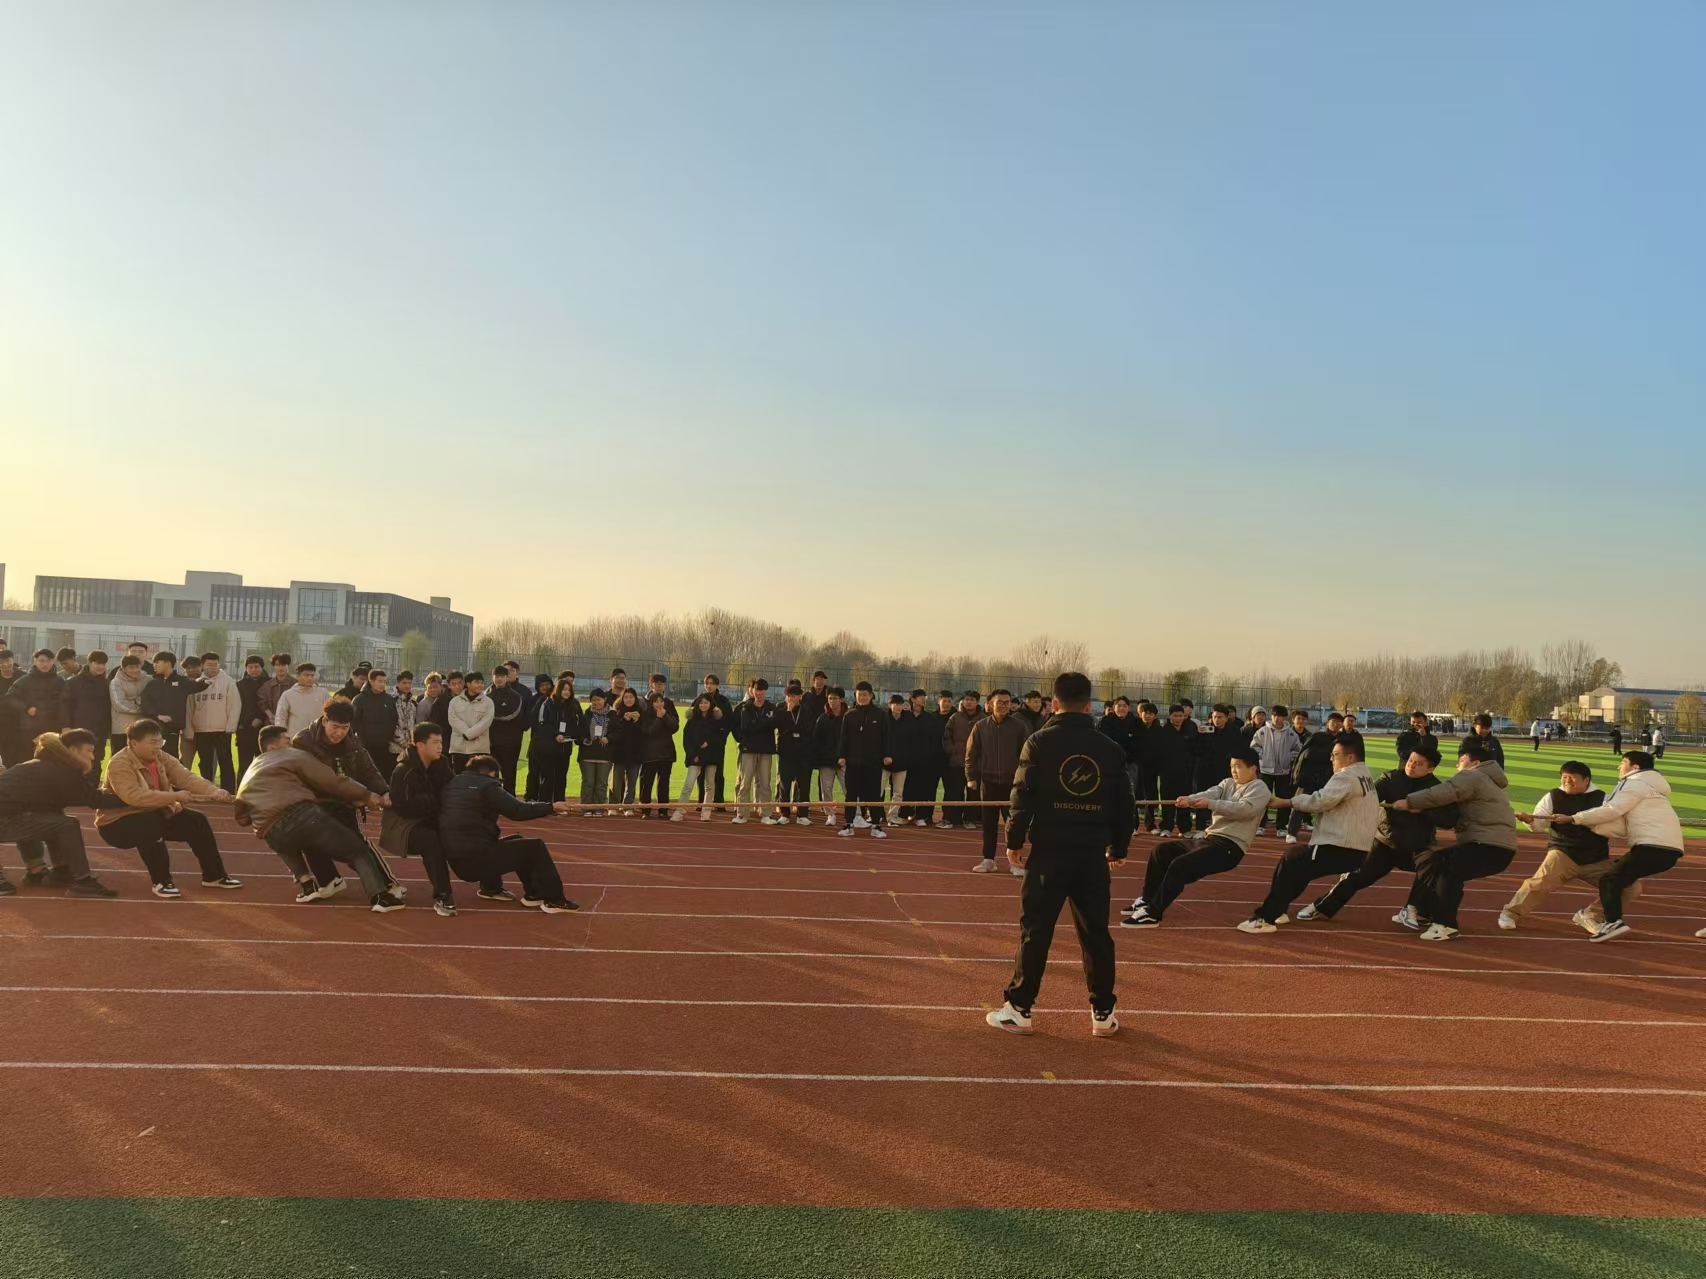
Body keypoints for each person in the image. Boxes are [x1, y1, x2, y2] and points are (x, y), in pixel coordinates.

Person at [985, 672, 1132, 1038]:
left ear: (1053, 704)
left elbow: (1022, 797)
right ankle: (1103, 1012)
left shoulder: (1038, 742)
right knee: (1096, 933)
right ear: (1089, 705)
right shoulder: (1110, 748)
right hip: (1091, 856)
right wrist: (1118, 847)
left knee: (1035, 931)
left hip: (1049, 853)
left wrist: (1013, 841)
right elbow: (1124, 806)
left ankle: (1020, 1009)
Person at [235, 725, 402, 911]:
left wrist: (258, 819)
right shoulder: (293, 755)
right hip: (301, 816)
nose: (291, 744)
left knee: (280, 839)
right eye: (287, 741)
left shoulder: (250, 770)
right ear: (273, 747)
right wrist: (366, 795)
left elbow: (241, 814)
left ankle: (308, 885)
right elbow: (330, 780)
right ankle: (380, 897)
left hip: (268, 829)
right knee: (358, 851)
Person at [1239, 733, 1380, 934]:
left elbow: (1321, 800)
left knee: (1293, 859)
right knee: (1298, 865)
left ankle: (1265, 918)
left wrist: (1287, 802)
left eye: (1335, 755)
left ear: (1350, 758)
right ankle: (1278, 910)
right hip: (1356, 849)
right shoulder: (1365, 775)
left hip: (1341, 846)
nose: (1331, 759)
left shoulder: (1346, 776)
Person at [1300, 742, 1456, 922]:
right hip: (1385, 841)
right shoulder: (1391, 778)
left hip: (1416, 846)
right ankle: (1321, 907)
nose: (1411, 765)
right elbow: (1368, 797)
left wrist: (1422, 811)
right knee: (1358, 876)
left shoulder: (1437, 790)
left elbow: (1448, 820)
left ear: (1431, 769)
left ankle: (1416, 911)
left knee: (1434, 868)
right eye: (1410, 761)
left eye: (1418, 764)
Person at [1548, 751, 1686, 943]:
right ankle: (1597, 917)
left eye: (1623, 762)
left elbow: (1611, 810)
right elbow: (1621, 827)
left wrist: (1574, 818)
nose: (1619, 767)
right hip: (1671, 851)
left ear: (1635, 767)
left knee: (1609, 879)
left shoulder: (1633, 783)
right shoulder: (1654, 790)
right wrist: (1589, 824)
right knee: (1617, 880)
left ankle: (1613, 922)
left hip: (1651, 846)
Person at [1124, 746, 1269, 928]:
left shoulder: (1259, 788)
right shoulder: (1228, 783)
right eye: (1232, 766)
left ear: (1253, 768)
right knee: (1160, 851)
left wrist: (1211, 804)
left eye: (1238, 766)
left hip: (1230, 847)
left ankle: (1153, 913)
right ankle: (1148, 899)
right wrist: (1190, 799)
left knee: (1180, 866)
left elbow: (1244, 810)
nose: (1233, 770)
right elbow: (1209, 793)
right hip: (1210, 840)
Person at [1390, 738, 1519, 941]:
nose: (1457, 764)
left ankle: (1444, 924)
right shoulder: (1489, 782)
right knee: (1435, 862)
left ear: (1475, 763)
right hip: (1496, 847)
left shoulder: (1473, 776)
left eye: (1461, 760)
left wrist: (1409, 802)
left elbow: (1444, 792)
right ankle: (1421, 911)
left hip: (1488, 845)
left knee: (1446, 869)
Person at [97, 718, 241, 897]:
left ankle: (214, 876)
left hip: (154, 813)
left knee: (197, 821)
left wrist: (214, 790)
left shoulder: (161, 757)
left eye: (160, 742)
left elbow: (186, 777)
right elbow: (134, 797)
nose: (157, 747)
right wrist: (175, 797)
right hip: (117, 824)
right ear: (133, 743)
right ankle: (162, 882)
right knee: (148, 824)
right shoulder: (119, 764)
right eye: (152, 742)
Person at [1501, 760, 1633, 932]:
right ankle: (1510, 913)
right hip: (1563, 853)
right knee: (1538, 883)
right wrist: (1529, 820)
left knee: (1630, 887)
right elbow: (1539, 826)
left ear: (1586, 780)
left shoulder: (1603, 799)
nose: (1567, 781)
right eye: (1564, 777)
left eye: (1572, 778)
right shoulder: (1553, 796)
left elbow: (1616, 826)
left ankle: (1591, 915)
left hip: (1596, 859)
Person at [438, 755, 577, 911]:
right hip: (473, 861)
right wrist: (551, 807)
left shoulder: (454, 783)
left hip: (457, 859)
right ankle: (556, 900)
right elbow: (517, 810)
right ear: (491, 772)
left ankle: (497, 889)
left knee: (514, 840)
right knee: (535, 847)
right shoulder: (488, 786)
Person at [0, 729, 122, 898]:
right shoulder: (62, 770)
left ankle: (57, 871)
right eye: (89, 751)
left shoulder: (45, 764)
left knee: (53, 817)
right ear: (72, 750)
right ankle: (83, 881)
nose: (93, 757)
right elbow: (94, 799)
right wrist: (133, 798)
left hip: (9, 814)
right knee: (67, 825)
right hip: (5, 819)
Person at [382, 721, 464, 915]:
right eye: (435, 743)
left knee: (462, 827)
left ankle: (490, 883)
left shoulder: (441, 764)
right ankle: (444, 896)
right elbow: (404, 808)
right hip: (402, 826)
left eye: (441, 742)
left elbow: (452, 790)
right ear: (420, 745)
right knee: (431, 839)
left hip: (428, 818)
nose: (440, 747)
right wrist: (438, 806)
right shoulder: (403, 770)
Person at [967, 690, 1029, 875]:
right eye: (1000, 702)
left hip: (1013, 783)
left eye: (1007, 702)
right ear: (990, 704)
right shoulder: (980, 726)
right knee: (989, 823)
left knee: (1014, 825)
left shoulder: (1019, 726)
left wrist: (1024, 778)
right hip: (989, 782)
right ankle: (988, 860)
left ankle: (1015, 863)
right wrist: (971, 777)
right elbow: (971, 753)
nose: (1004, 706)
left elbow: (1027, 756)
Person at [837, 681, 888, 837]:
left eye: (865, 695)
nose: (862, 697)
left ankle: (876, 826)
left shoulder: (880, 714)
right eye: (859, 695)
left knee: (874, 795)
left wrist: (887, 755)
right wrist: (842, 756)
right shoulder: (849, 715)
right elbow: (843, 738)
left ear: (871, 695)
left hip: (873, 763)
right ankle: (848, 824)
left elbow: (886, 737)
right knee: (851, 794)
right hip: (853, 763)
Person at [1287, 711, 1343, 843]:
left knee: (1329, 805)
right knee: (1300, 803)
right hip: (1309, 776)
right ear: (1327, 723)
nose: (1336, 724)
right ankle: (1291, 832)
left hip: (1329, 777)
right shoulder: (1317, 736)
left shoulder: (1342, 740)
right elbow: (1302, 755)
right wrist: (1297, 773)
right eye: (1333, 721)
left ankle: (1326, 832)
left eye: (1338, 722)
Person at [138, 651, 205, 762]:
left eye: (157, 662)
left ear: (168, 663)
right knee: (154, 759)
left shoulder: (181, 681)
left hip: (174, 729)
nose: (154, 665)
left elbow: (197, 685)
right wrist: (158, 715)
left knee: (172, 760)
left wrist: (205, 681)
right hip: (156, 729)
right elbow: (145, 704)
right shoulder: (153, 683)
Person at [188, 652, 241, 791]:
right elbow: (190, 707)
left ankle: (229, 791)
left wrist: (230, 727)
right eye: (209, 665)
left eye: (215, 664)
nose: (212, 667)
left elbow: (234, 705)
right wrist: (190, 729)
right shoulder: (196, 683)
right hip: (201, 730)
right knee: (205, 763)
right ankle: (207, 790)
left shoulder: (228, 681)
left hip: (222, 729)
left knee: (225, 761)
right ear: (202, 665)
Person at [1188, 706, 1240, 835]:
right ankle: (1200, 828)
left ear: (1226, 718)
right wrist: (1200, 735)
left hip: (1224, 771)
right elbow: (1195, 749)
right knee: (1202, 796)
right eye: (1215, 717)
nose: (1217, 720)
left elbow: (1237, 749)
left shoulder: (1234, 731)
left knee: (1223, 800)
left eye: (1220, 717)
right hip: (1204, 771)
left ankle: (1220, 829)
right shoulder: (1204, 730)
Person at [526, 675, 577, 803]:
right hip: (547, 747)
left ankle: (560, 802)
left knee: (561, 776)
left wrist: (572, 736)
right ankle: (545, 803)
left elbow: (575, 724)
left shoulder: (572, 705)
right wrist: (556, 734)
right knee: (547, 776)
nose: (566, 692)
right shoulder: (547, 703)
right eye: (564, 689)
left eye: (568, 690)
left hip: (564, 747)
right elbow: (543, 723)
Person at [732, 679, 777, 824]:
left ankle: (766, 814)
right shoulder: (746, 707)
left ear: (766, 691)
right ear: (753, 690)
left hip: (765, 750)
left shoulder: (771, 707)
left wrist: (757, 723)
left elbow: (773, 724)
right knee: (745, 783)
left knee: (765, 783)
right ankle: (741, 814)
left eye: (762, 690)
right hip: (748, 749)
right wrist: (764, 723)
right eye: (757, 690)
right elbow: (745, 727)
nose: (759, 693)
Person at [1251, 704, 1300, 835]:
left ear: (1284, 718)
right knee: (1262, 797)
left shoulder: (1291, 734)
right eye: (1275, 716)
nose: (1277, 719)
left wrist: (1288, 757)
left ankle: (1281, 827)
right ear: (1271, 716)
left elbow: (1297, 750)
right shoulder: (1262, 732)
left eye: (1281, 716)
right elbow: (1254, 747)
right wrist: (1263, 756)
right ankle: (1260, 825)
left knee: (1283, 799)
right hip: (1265, 770)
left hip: (1284, 771)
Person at [63, 651, 114, 778]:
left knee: (96, 762)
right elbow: (65, 705)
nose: (101, 667)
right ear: (89, 663)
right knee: (76, 761)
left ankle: (92, 788)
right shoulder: (73, 682)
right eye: (97, 663)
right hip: (78, 730)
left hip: (99, 732)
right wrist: (65, 726)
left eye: (103, 664)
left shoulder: (107, 684)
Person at [675, 694, 722, 822]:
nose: (703, 705)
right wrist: (694, 754)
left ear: (711, 704)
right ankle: (679, 811)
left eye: (706, 703)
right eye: (701, 703)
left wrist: (708, 743)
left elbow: (719, 738)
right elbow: (687, 739)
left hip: (711, 756)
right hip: (695, 757)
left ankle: (706, 813)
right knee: (688, 784)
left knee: (710, 785)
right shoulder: (692, 720)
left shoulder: (716, 720)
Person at [8, 648, 68, 750]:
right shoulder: (25, 681)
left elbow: (66, 703)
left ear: (53, 662)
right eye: (41, 661)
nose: (45, 664)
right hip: (31, 728)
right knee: (30, 755)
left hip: (53, 727)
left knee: (52, 756)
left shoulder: (60, 681)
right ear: (35, 662)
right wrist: (26, 707)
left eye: (48, 661)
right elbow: (10, 698)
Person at [942, 691, 985, 829]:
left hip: (975, 764)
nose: (969, 702)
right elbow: (946, 737)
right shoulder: (955, 717)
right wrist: (952, 751)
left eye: (972, 700)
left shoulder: (983, 719)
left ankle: (970, 818)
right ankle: (952, 818)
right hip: (957, 762)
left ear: (977, 702)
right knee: (955, 791)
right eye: (966, 699)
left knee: (973, 793)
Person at [772, 684, 813, 824]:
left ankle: (802, 815)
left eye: (793, 696)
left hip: (803, 752)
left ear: (800, 697)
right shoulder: (781, 711)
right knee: (784, 783)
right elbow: (780, 728)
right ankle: (784, 814)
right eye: (788, 696)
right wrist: (789, 713)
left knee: (803, 784)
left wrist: (793, 729)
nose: (790, 699)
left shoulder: (807, 711)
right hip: (786, 752)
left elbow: (807, 729)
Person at [1154, 704, 1196, 836]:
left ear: (1184, 716)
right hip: (1167, 773)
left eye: (1180, 716)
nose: (1178, 718)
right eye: (1175, 716)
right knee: (1167, 800)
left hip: (1185, 772)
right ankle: (1166, 827)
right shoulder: (1163, 732)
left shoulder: (1189, 730)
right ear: (1169, 716)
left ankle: (1185, 829)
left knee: (1185, 800)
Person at [351, 669, 401, 779]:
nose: (382, 684)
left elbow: (394, 720)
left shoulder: (389, 700)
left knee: (385, 777)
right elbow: (352, 723)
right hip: (365, 748)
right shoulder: (359, 700)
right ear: (371, 681)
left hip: (385, 748)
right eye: (380, 681)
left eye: (384, 681)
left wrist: (389, 736)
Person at [637, 691, 680, 818]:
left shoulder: (668, 713)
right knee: (647, 784)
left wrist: (665, 716)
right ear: (651, 703)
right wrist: (658, 718)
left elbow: (674, 728)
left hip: (666, 754)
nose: (659, 704)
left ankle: (663, 810)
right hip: (650, 755)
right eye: (656, 701)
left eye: (661, 701)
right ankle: (645, 810)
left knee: (664, 784)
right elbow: (649, 732)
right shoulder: (646, 715)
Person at [486, 664, 527, 794]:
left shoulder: (516, 696)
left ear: (507, 678)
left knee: (509, 773)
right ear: (492, 677)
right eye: (496, 676)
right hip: (491, 742)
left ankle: (510, 799)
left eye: (502, 676)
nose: (499, 679)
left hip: (510, 742)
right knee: (491, 773)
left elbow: (512, 715)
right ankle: (493, 799)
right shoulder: (486, 695)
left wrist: (492, 715)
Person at [606, 685, 645, 816]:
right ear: (622, 699)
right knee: (616, 781)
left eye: (631, 697)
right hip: (619, 753)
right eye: (626, 697)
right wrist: (624, 720)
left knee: (632, 782)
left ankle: (628, 806)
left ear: (635, 699)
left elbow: (645, 732)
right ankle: (613, 805)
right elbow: (614, 731)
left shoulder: (641, 713)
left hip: (635, 753)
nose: (628, 700)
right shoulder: (616, 713)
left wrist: (637, 721)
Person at [697, 674, 735, 810]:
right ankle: (701, 802)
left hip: (717, 743)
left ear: (717, 685)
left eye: (712, 683)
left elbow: (730, 720)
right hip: (702, 743)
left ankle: (719, 802)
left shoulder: (723, 701)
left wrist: (722, 736)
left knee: (718, 773)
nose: (709, 686)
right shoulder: (699, 699)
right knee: (701, 773)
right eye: (707, 683)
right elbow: (693, 721)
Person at [811, 687, 846, 825]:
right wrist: (819, 758)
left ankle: (855, 814)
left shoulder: (848, 717)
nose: (832, 701)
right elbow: (816, 740)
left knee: (848, 789)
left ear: (841, 699)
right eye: (830, 698)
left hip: (844, 761)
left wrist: (845, 756)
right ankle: (830, 814)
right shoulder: (823, 718)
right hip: (826, 761)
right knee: (826, 789)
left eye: (835, 698)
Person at [448, 670, 495, 773]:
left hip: (479, 750)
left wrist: (470, 734)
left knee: (479, 778)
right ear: (468, 684)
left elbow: (486, 722)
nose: (480, 685)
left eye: (481, 682)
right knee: (460, 778)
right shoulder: (454, 701)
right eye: (477, 682)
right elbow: (453, 720)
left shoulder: (488, 702)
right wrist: (467, 734)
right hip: (459, 749)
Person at [577, 689, 614, 815]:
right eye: (593, 700)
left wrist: (609, 738)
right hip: (587, 755)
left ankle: (599, 808)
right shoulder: (586, 715)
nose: (596, 702)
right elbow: (579, 733)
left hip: (605, 755)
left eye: (599, 699)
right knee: (588, 783)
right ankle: (586, 808)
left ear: (605, 699)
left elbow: (619, 733)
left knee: (601, 784)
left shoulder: (612, 715)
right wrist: (583, 740)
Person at [108, 654, 150, 761]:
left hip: (142, 728)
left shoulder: (147, 679)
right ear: (123, 668)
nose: (135, 670)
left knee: (141, 759)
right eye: (131, 667)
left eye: (137, 667)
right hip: (121, 729)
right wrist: (143, 709)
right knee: (119, 760)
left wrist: (136, 702)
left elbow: (152, 699)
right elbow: (119, 704)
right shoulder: (116, 682)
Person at [235, 655, 270, 777]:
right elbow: (236, 706)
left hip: (266, 728)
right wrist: (245, 722)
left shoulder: (269, 683)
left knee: (264, 764)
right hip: (245, 729)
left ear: (262, 668)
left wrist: (260, 718)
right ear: (246, 668)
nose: (253, 669)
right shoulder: (239, 685)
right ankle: (242, 787)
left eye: (256, 667)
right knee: (244, 764)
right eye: (250, 667)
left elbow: (270, 704)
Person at [1131, 701, 1163, 832]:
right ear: (1140, 714)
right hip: (1136, 766)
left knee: (1150, 795)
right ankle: (1133, 826)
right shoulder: (1133, 728)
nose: (1148, 716)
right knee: (1134, 794)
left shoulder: (1159, 730)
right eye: (1145, 713)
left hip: (1152, 768)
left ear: (1155, 716)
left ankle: (1150, 825)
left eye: (1151, 714)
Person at [274, 662, 330, 737]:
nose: (310, 678)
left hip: (318, 736)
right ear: (298, 677)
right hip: (295, 737)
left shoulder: (323, 693)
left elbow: (330, 715)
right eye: (306, 675)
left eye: (312, 675)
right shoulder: (288, 695)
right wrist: (281, 735)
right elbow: (281, 717)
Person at [880, 694, 913, 825]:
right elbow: (880, 740)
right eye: (896, 704)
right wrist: (884, 756)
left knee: (898, 792)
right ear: (890, 705)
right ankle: (876, 814)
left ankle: (893, 816)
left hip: (901, 762)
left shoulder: (908, 720)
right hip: (884, 762)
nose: (898, 707)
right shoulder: (883, 719)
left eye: (900, 704)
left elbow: (910, 741)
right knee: (878, 790)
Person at [254, 654, 294, 737]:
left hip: (291, 724)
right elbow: (261, 701)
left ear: (288, 666)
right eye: (277, 665)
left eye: (283, 665)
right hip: (271, 724)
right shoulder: (267, 685)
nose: (280, 668)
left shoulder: (295, 684)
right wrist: (270, 715)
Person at [1394, 711, 1438, 777]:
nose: (1415, 724)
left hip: (1423, 771)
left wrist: (1423, 736)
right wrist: (1413, 758)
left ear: (1425, 723)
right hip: (1405, 770)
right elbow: (1401, 753)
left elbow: (1431, 753)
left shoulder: (1432, 738)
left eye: (1419, 722)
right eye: (1413, 722)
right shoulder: (1404, 736)